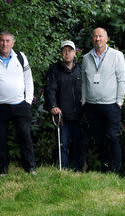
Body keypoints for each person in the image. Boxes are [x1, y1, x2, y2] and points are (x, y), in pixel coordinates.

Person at [0, 31, 36, 176]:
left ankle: (30, 168)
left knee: (25, 136)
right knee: (0, 139)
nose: (5, 44)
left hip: (20, 105)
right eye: (2, 40)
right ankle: (2, 170)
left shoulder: (21, 57)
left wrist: (28, 101)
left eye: (8, 41)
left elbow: (29, 80)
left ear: (13, 43)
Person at [81, 27, 125, 173]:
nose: (97, 39)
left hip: (111, 105)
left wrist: (119, 101)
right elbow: (83, 81)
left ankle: (116, 170)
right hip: (92, 105)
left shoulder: (117, 55)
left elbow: (122, 80)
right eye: (95, 36)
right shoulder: (86, 58)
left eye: (100, 36)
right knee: (99, 139)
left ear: (106, 39)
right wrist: (84, 100)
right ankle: (105, 168)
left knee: (112, 136)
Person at [45, 40, 83, 172]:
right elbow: (50, 90)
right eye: (64, 50)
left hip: (79, 113)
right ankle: (64, 170)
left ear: (74, 53)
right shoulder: (54, 69)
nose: (67, 53)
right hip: (62, 114)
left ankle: (79, 170)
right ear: (61, 53)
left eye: (70, 50)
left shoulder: (80, 69)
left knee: (79, 144)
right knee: (63, 144)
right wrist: (53, 106)